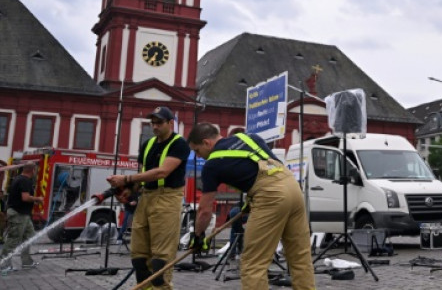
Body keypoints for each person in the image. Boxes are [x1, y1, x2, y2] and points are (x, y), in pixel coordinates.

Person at [187, 122, 315, 290]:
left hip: (270, 196)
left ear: (206, 142)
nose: (199, 156)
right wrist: (251, 201)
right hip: (292, 187)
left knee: (253, 264)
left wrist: (198, 236)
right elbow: (263, 169)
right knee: (300, 257)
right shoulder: (249, 137)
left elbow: (204, 210)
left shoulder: (212, 164)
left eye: (197, 151)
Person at [106, 106, 189, 290]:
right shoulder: (147, 144)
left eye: (159, 122)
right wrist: (129, 190)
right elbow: (143, 175)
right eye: (153, 123)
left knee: (161, 258)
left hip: (168, 198)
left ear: (170, 123)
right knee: (139, 258)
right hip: (146, 198)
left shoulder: (179, 144)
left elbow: (162, 172)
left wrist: (126, 179)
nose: (155, 126)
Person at [0, 162, 42, 273]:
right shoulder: (25, 181)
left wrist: (33, 201)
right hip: (18, 214)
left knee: (30, 237)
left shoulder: (18, 179)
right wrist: (37, 199)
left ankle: (27, 262)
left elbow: (21, 197)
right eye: (35, 170)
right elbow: (25, 197)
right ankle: (4, 265)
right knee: (14, 239)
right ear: (32, 170)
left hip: (23, 214)